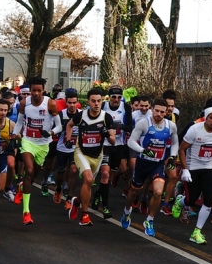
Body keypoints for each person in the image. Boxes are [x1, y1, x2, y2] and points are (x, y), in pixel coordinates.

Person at [121, 98, 178, 237]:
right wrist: (143, 150)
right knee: (134, 191)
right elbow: (131, 142)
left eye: (162, 112)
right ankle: (126, 211)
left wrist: (172, 157)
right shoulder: (144, 123)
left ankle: (149, 220)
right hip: (142, 163)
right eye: (157, 110)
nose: (159, 114)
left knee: (158, 192)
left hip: (157, 164)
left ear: (166, 113)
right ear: (152, 109)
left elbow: (175, 143)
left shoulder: (171, 126)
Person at [173, 105, 212, 244]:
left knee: (208, 200)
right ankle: (181, 200)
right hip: (193, 167)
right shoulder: (195, 130)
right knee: (191, 199)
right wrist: (185, 169)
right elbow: (182, 149)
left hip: (210, 168)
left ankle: (196, 232)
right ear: (206, 118)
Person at [12, 77, 59, 225]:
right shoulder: (24, 103)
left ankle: (22, 188)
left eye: (39, 90)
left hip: (43, 144)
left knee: (32, 176)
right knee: (30, 170)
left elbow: (60, 126)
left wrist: (51, 133)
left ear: (43, 91)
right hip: (28, 141)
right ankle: (26, 212)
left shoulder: (50, 104)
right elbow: (20, 122)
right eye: (34, 90)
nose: (36, 93)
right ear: (30, 91)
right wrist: (14, 135)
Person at [65, 88, 115, 226]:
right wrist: (69, 139)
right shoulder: (81, 116)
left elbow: (113, 141)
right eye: (93, 101)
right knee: (88, 179)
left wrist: (106, 134)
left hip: (97, 156)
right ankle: (85, 215)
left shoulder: (106, 117)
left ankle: (77, 201)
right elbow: (69, 125)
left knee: (88, 183)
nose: (96, 104)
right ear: (88, 102)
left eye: (99, 101)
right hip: (81, 152)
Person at [95, 85, 132, 218]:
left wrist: (119, 126)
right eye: (113, 97)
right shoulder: (103, 106)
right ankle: (105, 207)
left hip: (119, 145)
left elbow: (130, 127)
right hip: (105, 145)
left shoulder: (125, 107)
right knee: (105, 174)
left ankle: (99, 193)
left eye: (119, 97)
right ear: (109, 97)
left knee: (113, 174)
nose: (116, 99)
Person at [54, 89, 81, 209]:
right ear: (66, 102)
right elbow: (56, 129)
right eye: (69, 102)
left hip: (76, 149)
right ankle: (59, 188)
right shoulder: (61, 114)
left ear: (77, 102)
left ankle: (69, 197)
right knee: (60, 173)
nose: (72, 105)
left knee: (74, 171)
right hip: (62, 148)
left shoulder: (82, 114)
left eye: (74, 102)